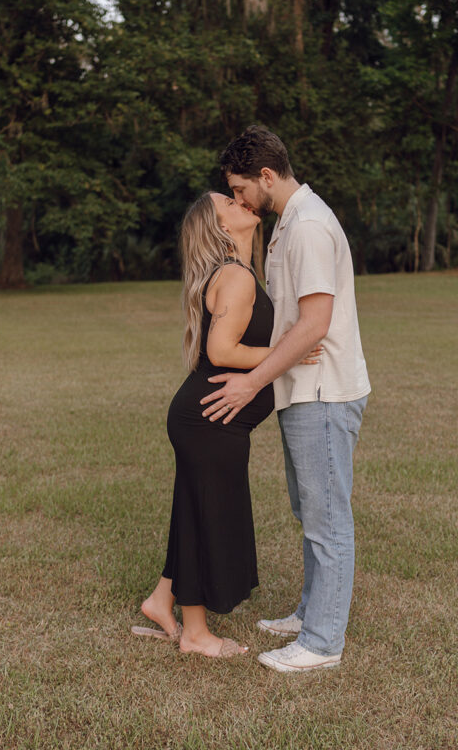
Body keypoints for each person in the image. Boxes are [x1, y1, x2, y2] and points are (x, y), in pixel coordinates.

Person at [200, 126, 371, 673]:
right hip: (302, 392)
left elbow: (314, 324)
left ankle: (322, 643)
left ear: (266, 177)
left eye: (240, 188)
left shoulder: (310, 227)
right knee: (309, 510)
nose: (239, 199)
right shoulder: (288, 224)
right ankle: (309, 612)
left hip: (323, 394)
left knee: (327, 519)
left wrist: (251, 382)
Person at [132, 190, 321, 659]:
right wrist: (290, 354)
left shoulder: (238, 273)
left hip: (207, 418)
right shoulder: (235, 276)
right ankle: (195, 635)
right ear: (219, 229)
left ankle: (162, 600)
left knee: (193, 508)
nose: (243, 204)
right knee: (205, 516)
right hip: (210, 421)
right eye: (230, 205)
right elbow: (221, 352)